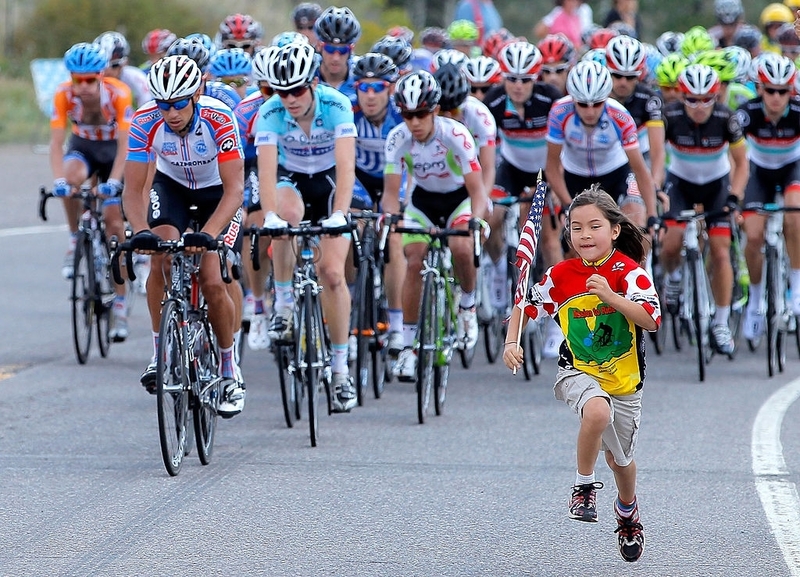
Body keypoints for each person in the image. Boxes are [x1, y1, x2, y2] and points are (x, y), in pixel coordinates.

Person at [503, 187, 658, 563]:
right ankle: (583, 487)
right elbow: (526, 305)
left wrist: (612, 297)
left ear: (615, 230)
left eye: (594, 226)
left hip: (623, 381)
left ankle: (626, 511)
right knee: (596, 411)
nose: (585, 235)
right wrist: (512, 341)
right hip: (577, 369)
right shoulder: (560, 275)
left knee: (620, 461)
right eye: (576, 228)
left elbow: (651, 321)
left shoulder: (629, 272)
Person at [123, 55, 246, 417]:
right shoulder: (145, 120)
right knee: (159, 254)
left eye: (179, 104)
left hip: (217, 193)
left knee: (211, 278)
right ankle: (160, 352)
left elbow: (235, 191)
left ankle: (227, 369)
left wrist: (207, 235)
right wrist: (140, 231)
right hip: (172, 186)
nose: (171, 113)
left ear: (195, 96)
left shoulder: (219, 118)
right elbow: (133, 190)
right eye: (164, 104)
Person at [255, 42, 358, 413]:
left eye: (297, 90)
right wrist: (269, 215)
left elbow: (347, 167)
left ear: (313, 83)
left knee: (331, 273)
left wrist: (341, 213)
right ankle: (282, 301)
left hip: (330, 182)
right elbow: (266, 173)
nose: (290, 99)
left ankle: (341, 369)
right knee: (283, 218)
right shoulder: (269, 112)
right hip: (291, 179)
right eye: (282, 92)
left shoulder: (336, 105)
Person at [383, 70, 488, 380]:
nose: (414, 122)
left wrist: (476, 221)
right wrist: (390, 219)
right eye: (407, 114)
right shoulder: (397, 138)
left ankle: (467, 305)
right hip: (423, 203)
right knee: (414, 260)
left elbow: (477, 191)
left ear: (435, 110)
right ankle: (407, 346)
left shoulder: (455, 134)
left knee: (460, 245)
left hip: (458, 199)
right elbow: (391, 196)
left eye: (421, 114)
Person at [660, 64, 748, 357]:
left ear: (716, 97)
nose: (699, 107)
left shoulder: (726, 118)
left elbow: (742, 163)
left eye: (707, 99)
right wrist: (657, 189)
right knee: (670, 244)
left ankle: (721, 323)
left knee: (721, 252)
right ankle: (672, 279)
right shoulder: (669, 116)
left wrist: (735, 196)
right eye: (692, 100)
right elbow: (657, 157)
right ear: (681, 97)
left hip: (716, 187)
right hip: (680, 185)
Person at [50, 42, 133, 341]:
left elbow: (126, 146)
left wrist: (114, 181)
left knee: (113, 224)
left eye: (89, 79)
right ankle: (75, 238)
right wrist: (59, 180)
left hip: (113, 152)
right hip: (83, 148)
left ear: (101, 76)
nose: (83, 86)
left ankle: (121, 305)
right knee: (69, 184)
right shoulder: (63, 95)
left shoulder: (119, 95)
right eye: (77, 79)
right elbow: (57, 144)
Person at [482, 41, 562, 343]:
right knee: (491, 219)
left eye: (525, 79)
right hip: (511, 170)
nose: (517, 86)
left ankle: (556, 320)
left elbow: (563, 146)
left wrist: (555, 184)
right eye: (511, 79)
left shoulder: (551, 98)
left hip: (545, 170)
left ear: (536, 77)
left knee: (550, 239)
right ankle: (498, 268)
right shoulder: (493, 100)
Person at [736, 53, 800, 338]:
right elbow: (732, 155)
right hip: (758, 172)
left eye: (783, 91)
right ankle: (756, 300)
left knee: (795, 215)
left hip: (792, 169)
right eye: (770, 90)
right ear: (760, 89)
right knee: (753, 235)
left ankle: (797, 290)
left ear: (791, 90)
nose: (776, 97)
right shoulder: (746, 113)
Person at [349, 52, 407, 357]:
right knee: (347, 233)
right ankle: (348, 305)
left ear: (390, 88)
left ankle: (397, 325)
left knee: (395, 239)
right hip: (359, 178)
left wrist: (397, 205)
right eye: (364, 87)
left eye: (378, 87)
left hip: (395, 178)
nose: (370, 95)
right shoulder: (349, 111)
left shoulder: (402, 115)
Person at [605, 35, 666, 195]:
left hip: (639, 157)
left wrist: (656, 183)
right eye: (617, 75)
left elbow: (657, 150)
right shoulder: (597, 97)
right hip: (605, 158)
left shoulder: (649, 99)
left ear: (640, 75)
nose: (623, 82)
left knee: (637, 202)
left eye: (631, 76)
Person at [94, 31, 151, 107]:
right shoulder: (88, 79)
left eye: (113, 66)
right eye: (100, 68)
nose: (106, 72)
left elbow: (147, 108)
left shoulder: (136, 78)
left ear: (124, 64)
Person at [314, 6, 361, 98]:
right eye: (330, 49)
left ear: (351, 49)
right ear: (319, 46)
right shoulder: (308, 73)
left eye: (343, 50)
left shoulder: (361, 76)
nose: (336, 58)